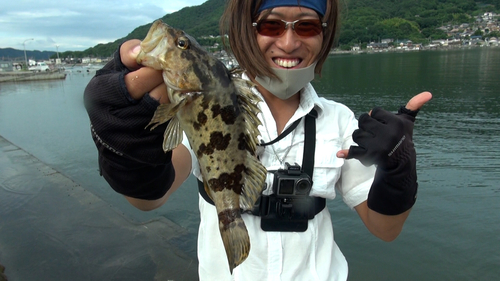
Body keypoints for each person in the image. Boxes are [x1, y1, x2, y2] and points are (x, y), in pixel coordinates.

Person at [84, 0, 432, 280]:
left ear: (323, 36)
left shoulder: (340, 120)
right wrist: (121, 143)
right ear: (246, 31)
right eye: (271, 24)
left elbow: (385, 229)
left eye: (307, 26)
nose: (289, 42)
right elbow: (148, 199)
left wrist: (398, 168)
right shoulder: (198, 108)